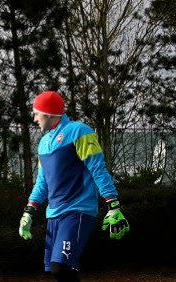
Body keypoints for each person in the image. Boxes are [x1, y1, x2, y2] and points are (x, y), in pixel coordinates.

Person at [18, 90, 130, 282]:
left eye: (36, 112)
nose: (34, 118)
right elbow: (42, 182)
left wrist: (113, 205)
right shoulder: (43, 143)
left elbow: (98, 169)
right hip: (53, 214)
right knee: (62, 272)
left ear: (48, 113)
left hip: (77, 211)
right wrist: (29, 211)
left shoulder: (80, 131)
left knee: (60, 267)